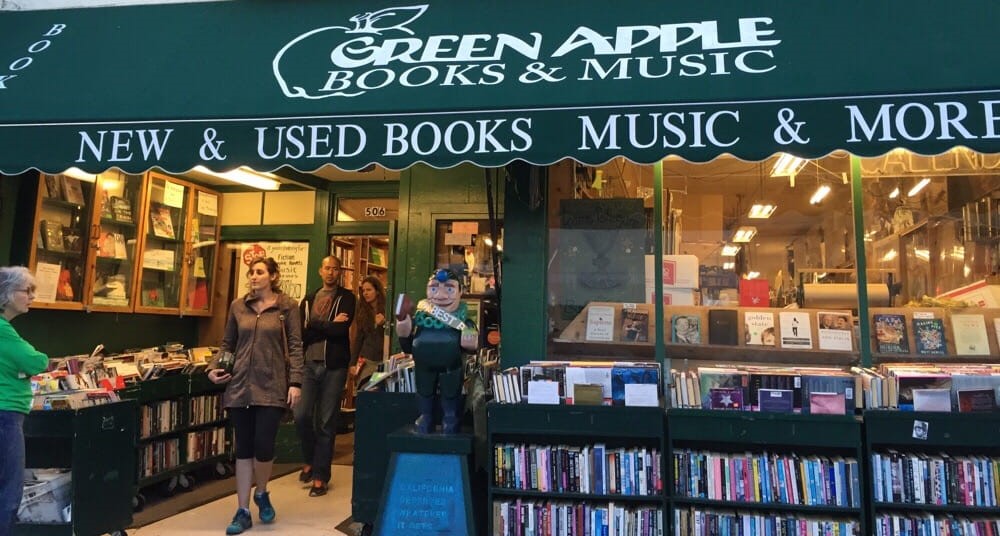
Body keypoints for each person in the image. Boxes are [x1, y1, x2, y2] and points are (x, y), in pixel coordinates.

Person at [208, 257, 303, 535]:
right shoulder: (238, 306)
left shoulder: (288, 308)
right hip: (239, 386)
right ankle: (243, 510)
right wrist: (215, 369)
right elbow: (228, 343)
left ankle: (261, 492)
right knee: (243, 448)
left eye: (260, 272)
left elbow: (296, 347)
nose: (253, 276)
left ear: (273, 276)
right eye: (251, 272)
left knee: (264, 446)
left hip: (272, 385)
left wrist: (295, 382)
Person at [294, 255, 355, 497]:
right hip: (309, 366)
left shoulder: (347, 298)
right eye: (327, 268)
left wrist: (316, 324)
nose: (331, 272)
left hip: (335, 367)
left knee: (327, 422)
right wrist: (328, 323)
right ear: (320, 270)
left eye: (335, 269)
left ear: (340, 272)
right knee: (300, 415)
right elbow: (302, 334)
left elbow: (341, 330)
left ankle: (320, 476)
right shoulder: (309, 299)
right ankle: (310, 458)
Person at [396, 269, 478, 434]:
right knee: (424, 391)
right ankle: (425, 416)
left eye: (449, 289)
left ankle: (450, 418)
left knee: (451, 391)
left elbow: (472, 344)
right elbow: (406, 340)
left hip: (451, 365)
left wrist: (470, 338)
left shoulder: (464, 320)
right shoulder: (420, 317)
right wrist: (403, 322)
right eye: (434, 288)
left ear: (460, 291)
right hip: (423, 365)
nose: (440, 295)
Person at [0, 267, 49, 534]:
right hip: (6, 414)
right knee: (9, 489)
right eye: (26, 291)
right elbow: (35, 360)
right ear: (6, 295)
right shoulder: (4, 330)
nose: (32, 296)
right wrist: (25, 368)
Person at [352, 276, 386, 386]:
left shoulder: (386, 309)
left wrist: (382, 324)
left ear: (377, 291)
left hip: (383, 359)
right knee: (364, 389)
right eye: (363, 290)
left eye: (369, 290)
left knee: (378, 390)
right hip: (367, 359)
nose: (365, 293)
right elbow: (359, 338)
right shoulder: (362, 310)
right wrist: (353, 363)